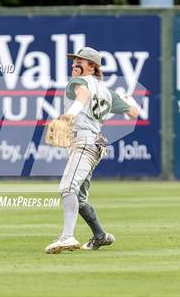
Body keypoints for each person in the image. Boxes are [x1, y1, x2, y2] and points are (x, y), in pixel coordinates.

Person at [45, 47, 138, 254]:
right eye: (74, 60)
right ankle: (101, 236)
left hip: (85, 143)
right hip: (95, 145)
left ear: (92, 66)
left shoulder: (79, 83)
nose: (75, 63)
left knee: (68, 187)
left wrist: (69, 115)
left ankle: (67, 237)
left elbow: (83, 95)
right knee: (79, 198)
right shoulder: (107, 92)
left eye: (81, 61)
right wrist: (129, 99)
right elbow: (133, 112)